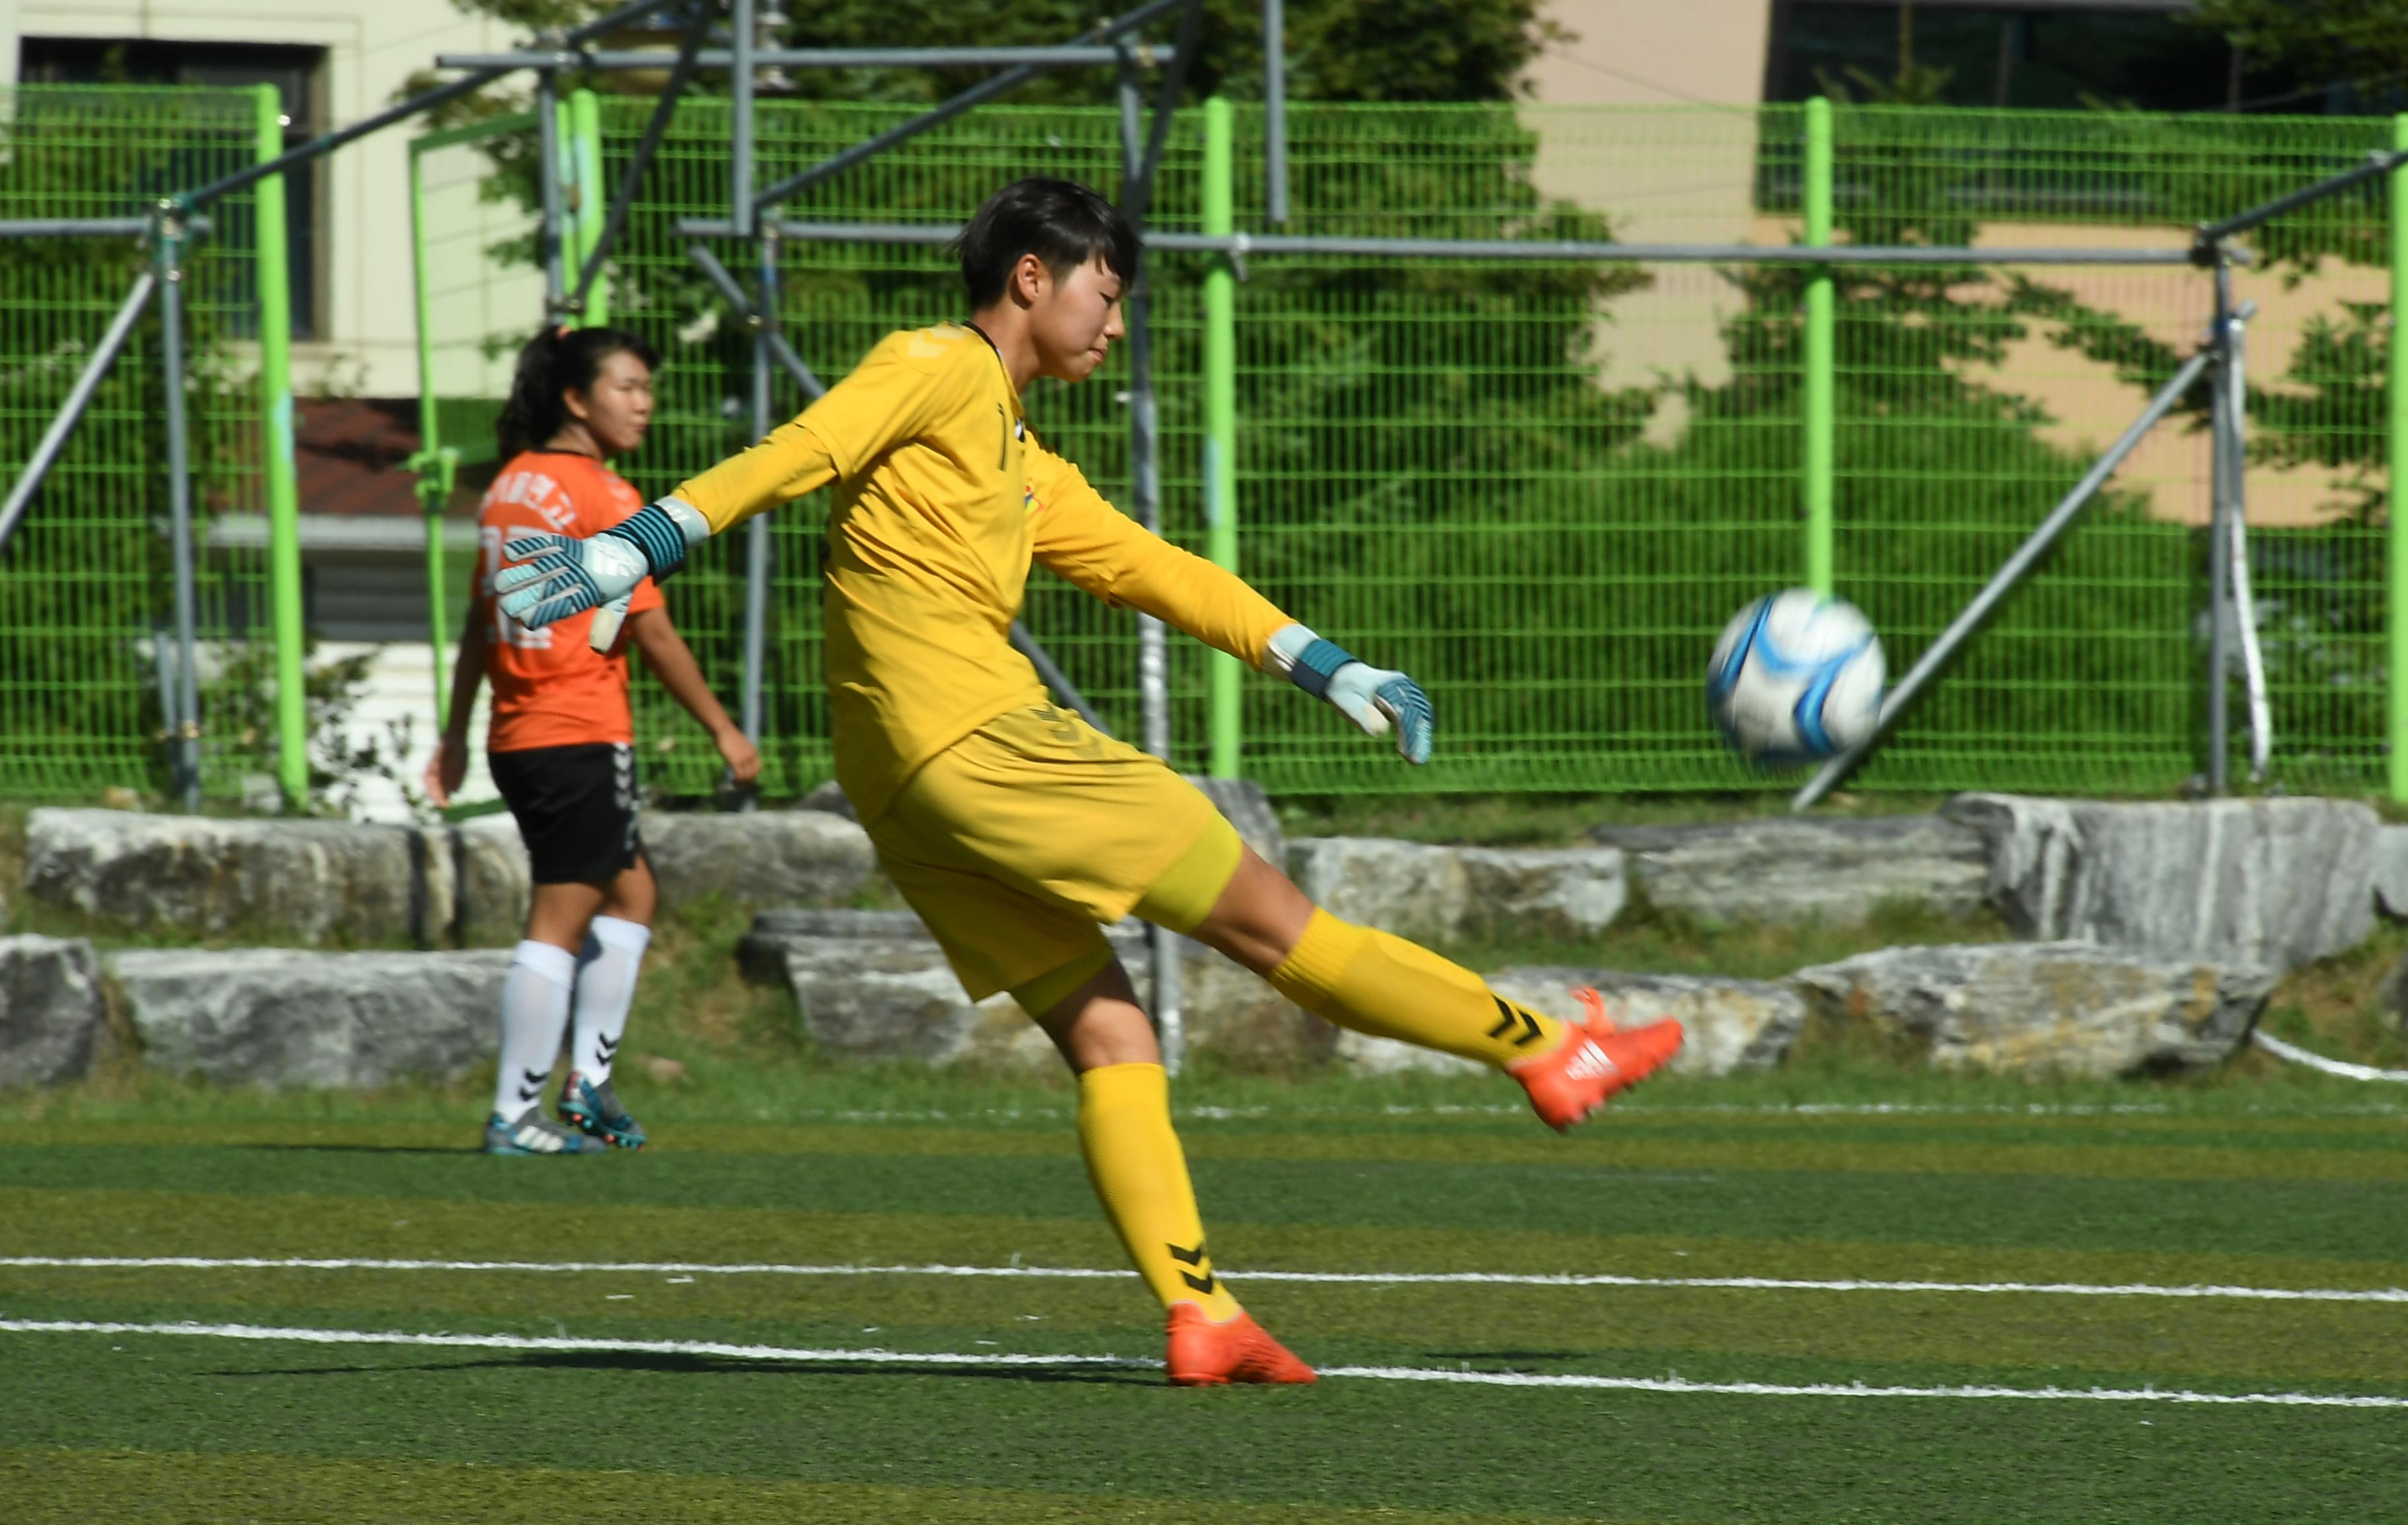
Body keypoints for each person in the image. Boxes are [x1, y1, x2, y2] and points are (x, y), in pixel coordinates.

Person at [492, 180, 1683, 1378]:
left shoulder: (1016, 455)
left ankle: (1201, 1312)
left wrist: (1328, 664)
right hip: (990, 749)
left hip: (908, 799)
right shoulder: (938, 363)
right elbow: (799, 451)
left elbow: (1151, 568)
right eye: (1103, 295)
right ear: (1030, 278)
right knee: (1280, 931)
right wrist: (625, 547)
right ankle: (1542, 1046)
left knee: (1112, 1033)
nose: (1113, 327)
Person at [425, 325, 762, 1157]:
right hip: (577, 730)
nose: (643, 403)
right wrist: (723, 728)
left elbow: (480, 618)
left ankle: (586, 1082)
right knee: (558, 919)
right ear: (577, 400)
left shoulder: (508, 486)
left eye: (647, 387)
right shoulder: (606, 496)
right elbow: (653, 632)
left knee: (632, 892)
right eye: (626, 387)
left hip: (520, 734)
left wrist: (456, 732)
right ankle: (515, 1114)